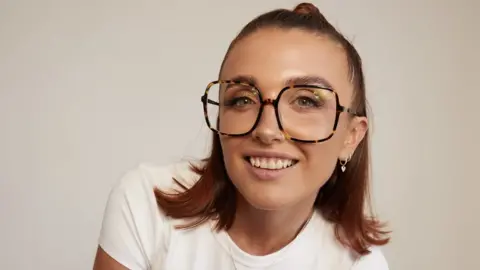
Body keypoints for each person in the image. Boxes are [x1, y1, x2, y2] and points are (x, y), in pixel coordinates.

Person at [93, 2, 391, 270]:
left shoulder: (359, 266)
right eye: (243, 99)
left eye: (306, 101)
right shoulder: (145, 203)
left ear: (351, 136)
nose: (266, 129)